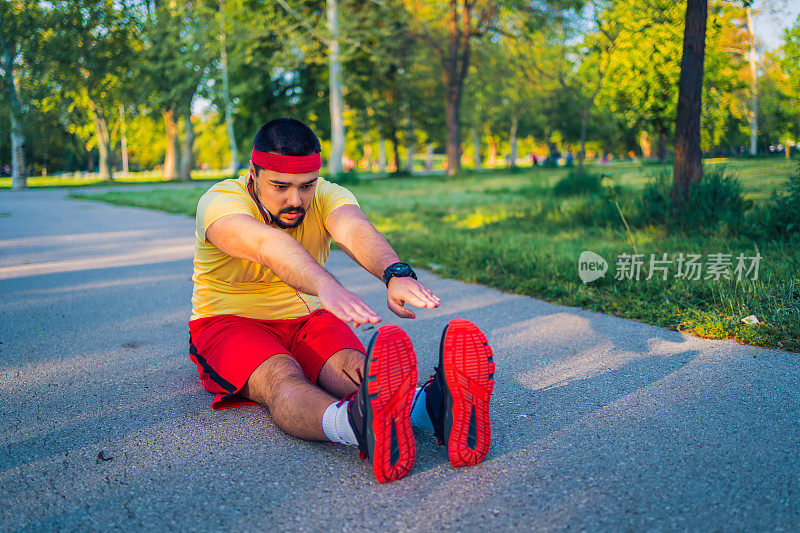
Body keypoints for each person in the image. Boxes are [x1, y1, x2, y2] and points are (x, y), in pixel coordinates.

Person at [188, 117, 495, 483]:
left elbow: (354, 228)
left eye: (306, 186)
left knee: (353, 363)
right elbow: (268, 245)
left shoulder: (326, 195)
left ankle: (430, 408)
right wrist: (324, 284)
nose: (295, 200)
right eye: (280, 186)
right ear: (253, 175)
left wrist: (395, 273)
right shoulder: (220, 203)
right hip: (228, 321)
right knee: (281, 378)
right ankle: (356, 423)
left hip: (307, 319)